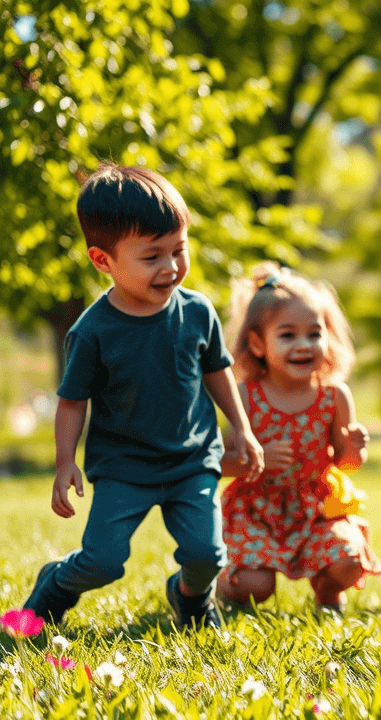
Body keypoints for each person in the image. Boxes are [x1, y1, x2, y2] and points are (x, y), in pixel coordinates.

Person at [22, 164, 264, 628]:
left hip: (192, 460)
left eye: (179, 250)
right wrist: (64, 461)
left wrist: (243, 429)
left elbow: (218, 372)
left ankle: (190, 597)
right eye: (152, 257)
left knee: (206, 556)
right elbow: (74, 401)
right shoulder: (92, 331)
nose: (171, 267)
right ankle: (57, 582)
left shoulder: (197, 312)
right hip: (123, 467)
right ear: (103, 260)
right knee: (103, 562)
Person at [217, 264, 381, 612]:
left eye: (314, 333)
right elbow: (221, 462)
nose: (303, 345)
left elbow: (345, 463)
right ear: (257, 343)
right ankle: (220, 584)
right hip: (257, 510)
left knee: (349, 560)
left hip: (316, 509)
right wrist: (255, 457)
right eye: (288, 335)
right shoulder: (246, 396)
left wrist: (354, 450)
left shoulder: (333, 395)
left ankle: (327, 591)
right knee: (254, 589)